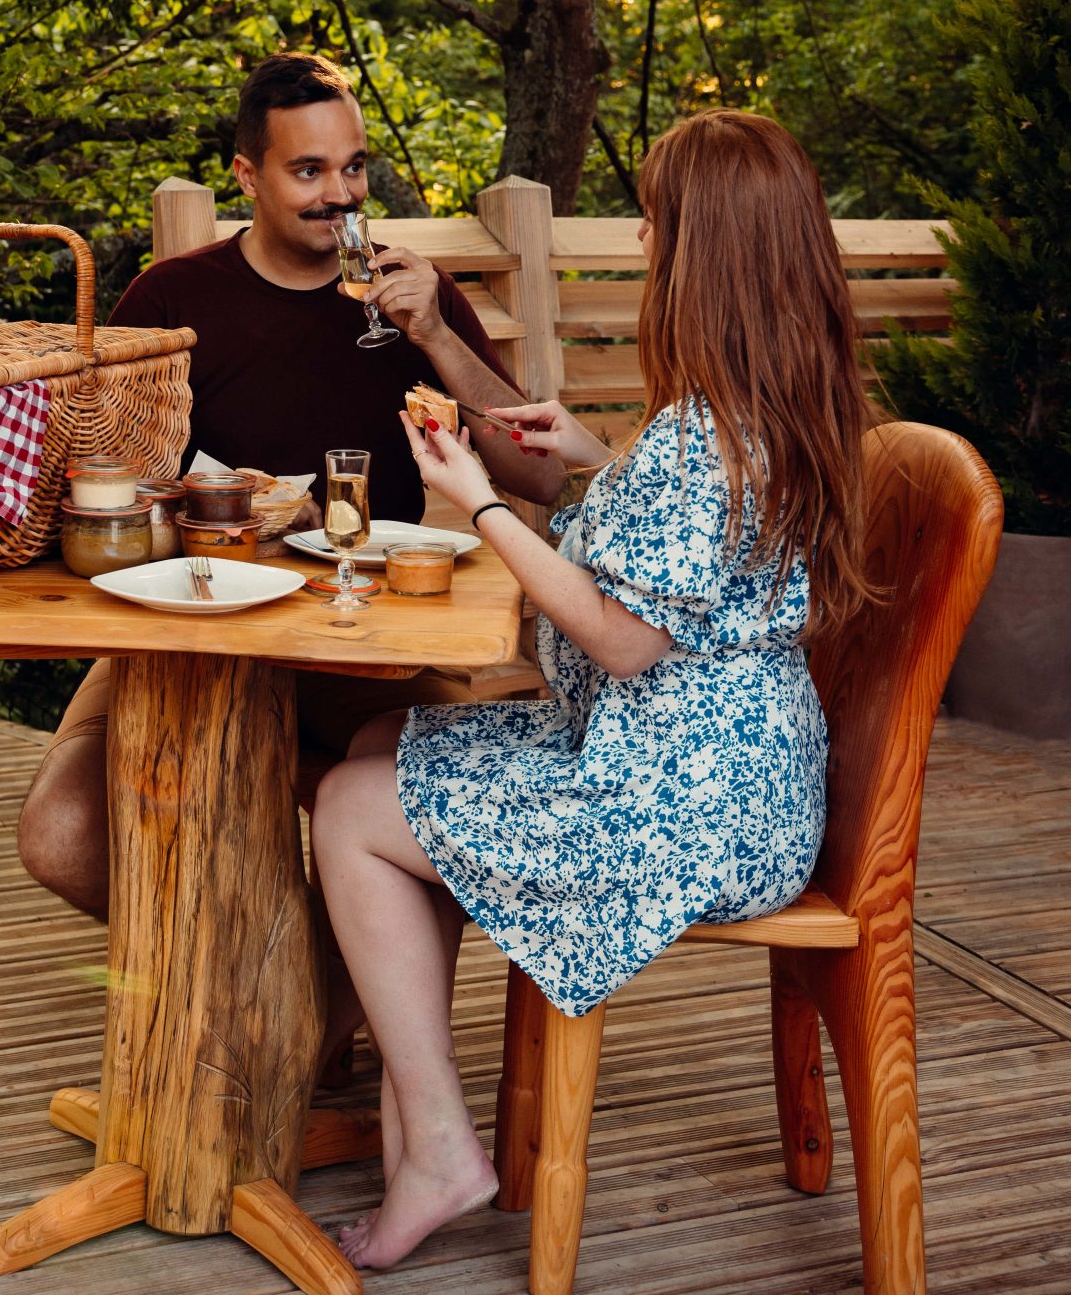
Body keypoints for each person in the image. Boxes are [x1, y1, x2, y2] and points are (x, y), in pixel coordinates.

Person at [310, 108, 873, 1271]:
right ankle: (419, 1106)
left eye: (661, 228)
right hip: (742, 785)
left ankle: (437, 1147)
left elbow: (622, 638)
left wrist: (487, 505)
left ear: (702, 258)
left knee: (350, 809)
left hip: (675, 808)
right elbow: (702, 550)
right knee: (383, 734)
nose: (649, 247)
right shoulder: (768, 410)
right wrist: (584, 454)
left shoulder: (700, 437)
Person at [17, 51, 564, 921]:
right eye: (307, 171)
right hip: (188, 635)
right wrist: (234, 505)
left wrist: (436, 338)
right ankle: (282, 975)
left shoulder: (412, 293)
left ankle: (321, 1011)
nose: (339, 195)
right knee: (62, 834)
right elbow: (92, 478)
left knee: (457, 815)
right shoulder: (172, 298)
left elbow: (541, 471)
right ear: (249, 176)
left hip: (364, 632)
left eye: (353, 169)